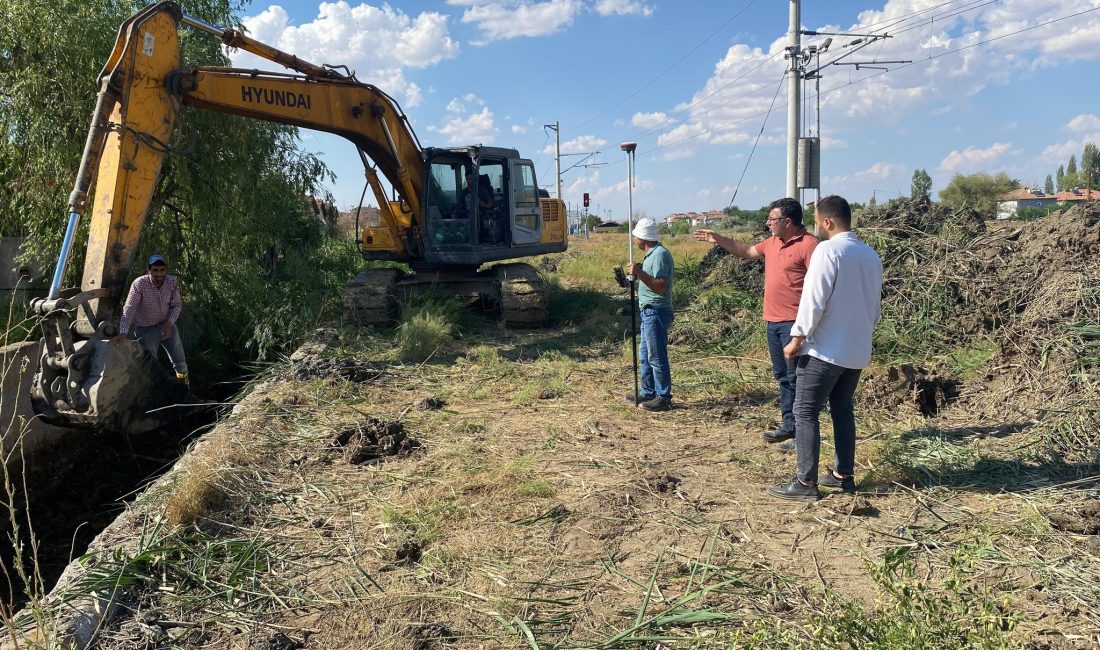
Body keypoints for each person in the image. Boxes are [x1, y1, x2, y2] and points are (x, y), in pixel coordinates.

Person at [767, 195, 883, 501]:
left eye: (817, 221)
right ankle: (842, 476)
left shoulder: (827, 251)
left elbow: (813, 300)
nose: (816, 226)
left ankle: (805, 484)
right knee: (842, 410)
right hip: (856, 352)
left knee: (804, 411)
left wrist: (796, 338)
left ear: (828, 222)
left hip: (825, 351)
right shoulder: (870, 255)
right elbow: (875, 308)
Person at [694, 198, 818, 443]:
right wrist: (719, 239)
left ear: (788, 221)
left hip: (796, 324)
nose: (768, 223)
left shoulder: (809, 245)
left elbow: (819, 287)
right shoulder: (772, 243)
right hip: (773, 321)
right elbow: (747, 251)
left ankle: (802, 434)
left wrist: (805, 328)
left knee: (798, 379)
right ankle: (789, 425)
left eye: (772, 219)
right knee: (783, 376)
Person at [110, 254, 189, 385]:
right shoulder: (139, 284)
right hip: (146, 330)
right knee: (151, 364)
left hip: (166, 325)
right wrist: (123, 332)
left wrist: (169, 324)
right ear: (149, 270)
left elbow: (177, 305)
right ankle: (155, 391)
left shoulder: (172, 282)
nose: (159, 274)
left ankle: (184, 386)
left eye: (162, 270)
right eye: (155, 270)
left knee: (180, 360)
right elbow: (129, 308)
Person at [626, 217, 675, 412]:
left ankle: (663, 396)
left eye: (636, 237)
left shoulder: (660, 255)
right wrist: (631, 277)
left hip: (656, 311)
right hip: (648, 311)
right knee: (646, 355)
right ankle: (648, 391)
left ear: (642, 238)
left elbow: (660, 286)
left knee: (656, 355)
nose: (635, 240)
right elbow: (649, 282)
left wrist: (639, 273)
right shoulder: (651, 255)